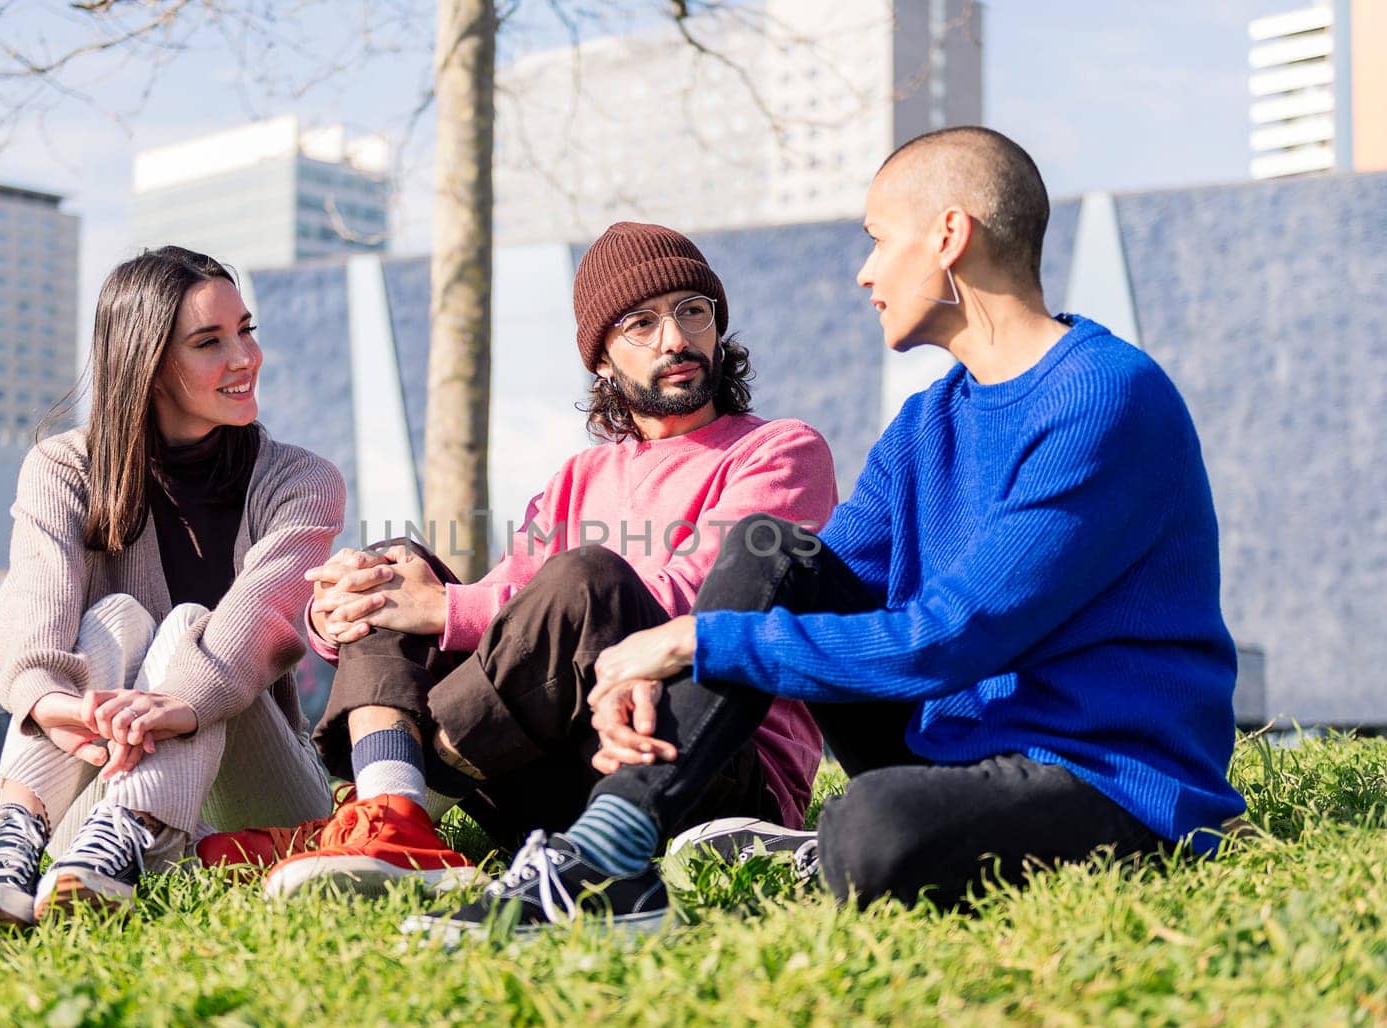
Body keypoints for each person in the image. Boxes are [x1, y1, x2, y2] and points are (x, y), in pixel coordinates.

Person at [408, 126, 1247, 938]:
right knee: (769, 546)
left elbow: (949, 639)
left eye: (880, 239)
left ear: (949, 235)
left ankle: (790, 847)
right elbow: (791, 582)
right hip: (950, 750)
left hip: (1105, 777)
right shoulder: (928, 421)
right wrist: (660, 650)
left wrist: (695, 641)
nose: (865, 271)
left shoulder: (1102, 398)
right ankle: (607, 855)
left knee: (870, 829)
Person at [198, 222, 838, 900]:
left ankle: (368, 816)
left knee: (589, 579)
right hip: (559, 784)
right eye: (641, 324)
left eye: (693, 311)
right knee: (395, 559)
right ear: (602, 361)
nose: (675, 338)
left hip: (707, 770)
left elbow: (701, 603)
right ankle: (390, 814)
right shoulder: (579, 476)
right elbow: (504, 618)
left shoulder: (781, 451)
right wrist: (347, 611)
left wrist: (443, 607)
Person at [0, 246, 344, 932]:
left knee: (188, 624)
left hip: (264, 804)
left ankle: (129, 827)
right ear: (150, 364)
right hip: (85, 821)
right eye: (210, 342)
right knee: (116, 615)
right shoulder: (64, 466)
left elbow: (256, 622)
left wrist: (172, 706)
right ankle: (13, 839)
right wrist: (52, 701)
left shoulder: (303, 482)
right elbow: (35, 606)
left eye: (246, 329)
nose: (244, 356)